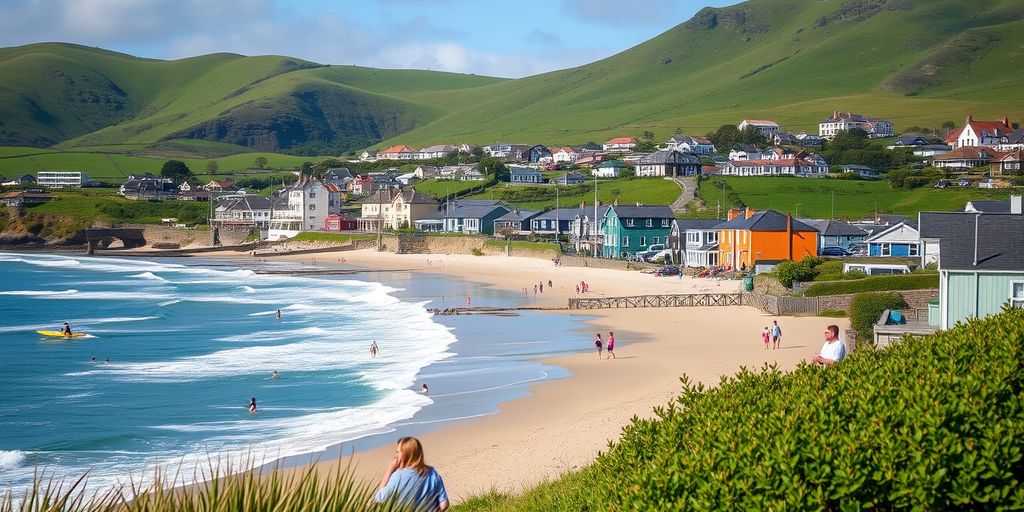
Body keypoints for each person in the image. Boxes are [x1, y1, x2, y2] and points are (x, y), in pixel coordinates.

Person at [375, 437, 449, 511]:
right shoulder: (432, 472)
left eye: (398, 452)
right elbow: (444, 503)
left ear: (405, 454)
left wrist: (390, 469)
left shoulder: (398, 476)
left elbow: (379, 498)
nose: (396, 456)